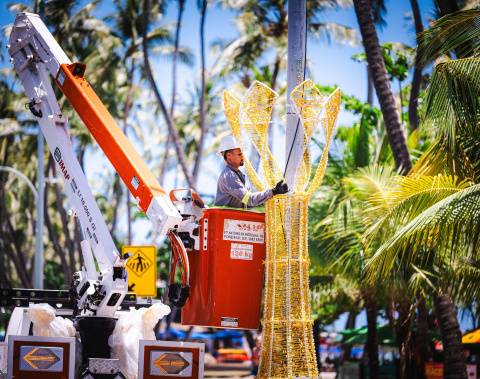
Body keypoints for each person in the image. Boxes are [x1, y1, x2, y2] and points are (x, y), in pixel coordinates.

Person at [214, 135, 289, 208]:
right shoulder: (229, 176)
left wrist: (261, 200)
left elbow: (245, 201)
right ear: (229, 156)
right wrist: (273, 192)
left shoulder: (234, 174)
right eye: (240, 154)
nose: (243, 156)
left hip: (228, 219)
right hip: (224, 219)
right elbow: (249, 199)